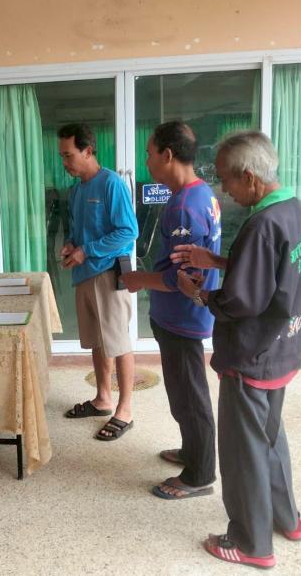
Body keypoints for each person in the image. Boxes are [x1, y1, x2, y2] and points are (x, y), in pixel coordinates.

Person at [173, 131, 301, 569]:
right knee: (270, 439)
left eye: (226, 179)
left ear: (250, 178)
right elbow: (272, 273)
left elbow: (241, 300)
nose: (224, 189)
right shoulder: (296, 212)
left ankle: (251, 543)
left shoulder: (261, 224)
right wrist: (217, 261)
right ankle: (287, 518)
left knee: (243, 452)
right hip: (283, 348)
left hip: (252, 355)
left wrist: (198, 293)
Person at [121, 122, 220, 500]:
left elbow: (183, 279)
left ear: (167, 155)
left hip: (182, 319)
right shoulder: (201, 193)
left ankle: (199, 474)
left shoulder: (183, 208)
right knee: (183, 393)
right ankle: (192, 452)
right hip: (184, 316)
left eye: (149, 154)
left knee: (189, 397)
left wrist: (138, 279)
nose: (146, 161)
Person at [58, 123, 139, 441]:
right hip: (84, 274)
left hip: (108, 272)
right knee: (97, 340)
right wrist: (71, 245)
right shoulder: (77, 190)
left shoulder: (111, 184)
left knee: (118, 342)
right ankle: (103, 398)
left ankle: (125, 409)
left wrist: (86, 250)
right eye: (62, 156)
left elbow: (128, 231)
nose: (64, 162)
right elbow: (77, 230)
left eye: (68, 155)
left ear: (88, 151)